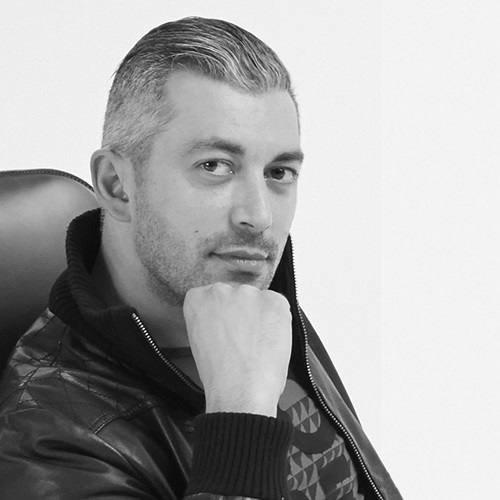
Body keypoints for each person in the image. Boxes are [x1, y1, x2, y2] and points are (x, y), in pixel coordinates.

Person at [0, 17, 402, 500]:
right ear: (117, 185)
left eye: (278, 172)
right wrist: (240, 412)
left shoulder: (245, 292)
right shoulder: (47, 443)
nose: (258, 216)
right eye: (214, 166)